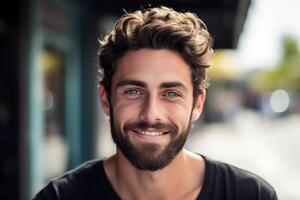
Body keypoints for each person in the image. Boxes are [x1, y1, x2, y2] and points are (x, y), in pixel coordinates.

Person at [34, 6, 278, 200]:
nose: (151, 114)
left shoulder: (250, 195)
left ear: (197, 105)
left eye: (171, 93)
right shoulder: (59, 197)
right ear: (106, 99)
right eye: (132, 91)